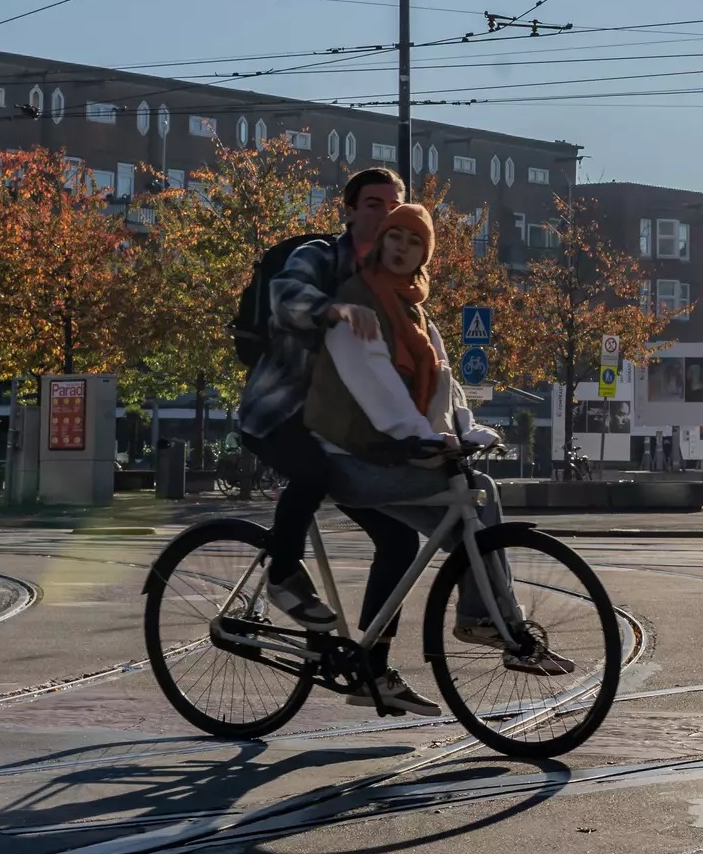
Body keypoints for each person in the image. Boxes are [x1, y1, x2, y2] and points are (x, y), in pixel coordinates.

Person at [304, 202, 572, 716]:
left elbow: (446, 389)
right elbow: (375, 387)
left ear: (426, 253)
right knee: (471, 505)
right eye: (395, 237)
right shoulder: (360, 304)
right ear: (381, 242)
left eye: (415, 241)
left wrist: (470, 430)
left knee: (469, 508)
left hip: (392, 455)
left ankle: (483, 624)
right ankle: (487, 621)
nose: (403, 248)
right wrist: (420, 440)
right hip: (349, 457)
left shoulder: (417, 312)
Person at [236, 167, 405, 629]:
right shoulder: (321, 256)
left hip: (341, 423)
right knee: (312, 472)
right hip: (280, 412)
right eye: (374, 204)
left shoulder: (390, 278)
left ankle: (374, 663)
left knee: (399, 537)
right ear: (349, 211)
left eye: (394, 207)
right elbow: (285, 294)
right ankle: (283, 575)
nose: (385, 215)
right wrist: (332, 308)